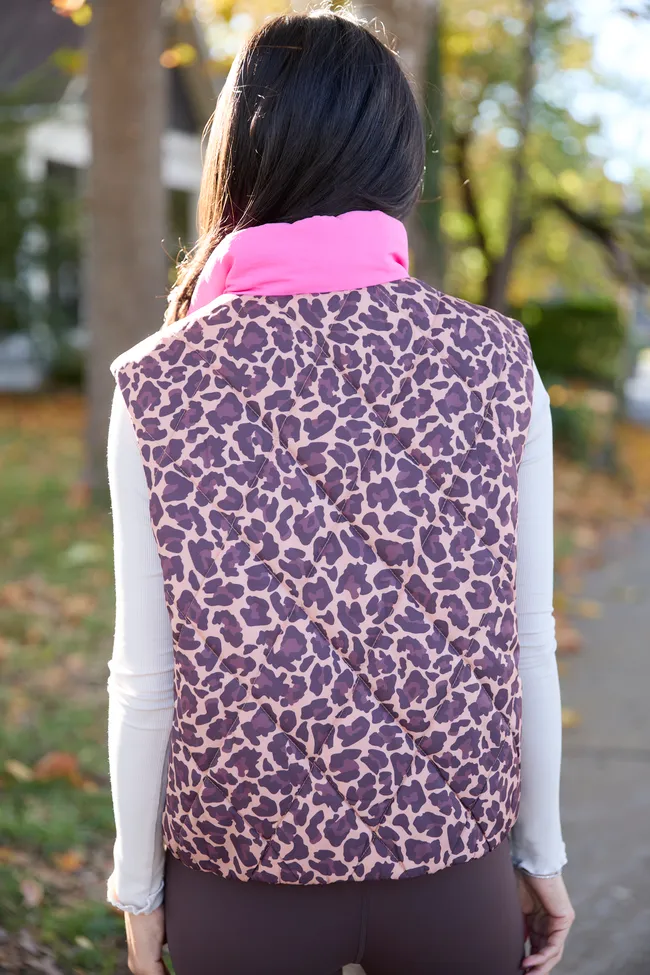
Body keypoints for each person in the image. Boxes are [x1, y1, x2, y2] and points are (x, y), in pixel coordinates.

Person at [106, 10, 574, 975]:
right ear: (399, 163)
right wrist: (543, 852)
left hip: (243, 879)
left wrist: (138, 888)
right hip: (453, 873)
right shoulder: (498, 359)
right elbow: (527, 640)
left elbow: (147, 682)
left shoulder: (158, 379)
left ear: (237, 156)